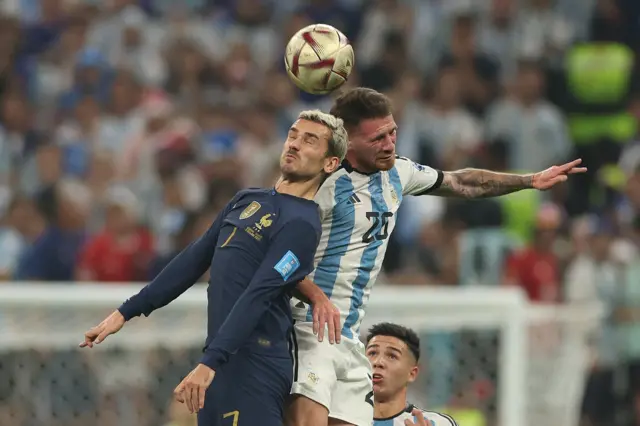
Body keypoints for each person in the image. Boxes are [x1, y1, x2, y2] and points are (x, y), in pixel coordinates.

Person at [287, 87, 587, 426]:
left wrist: (530, 180)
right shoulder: (320, 186)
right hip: (306, 331)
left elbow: (463, 183)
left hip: (348, 336)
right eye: (377, 138)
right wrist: (314, 298)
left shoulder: (397, 172)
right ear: (348, 142)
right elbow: (280, 260)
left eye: (392, 133)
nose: (389, 144)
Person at [79, 110, 349, 426]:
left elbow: (259, 293)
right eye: (293, 135)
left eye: (310, 140)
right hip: (222, 360)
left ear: (329, 163)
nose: (294, 144)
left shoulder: (302, 224)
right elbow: (192, 260)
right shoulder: (247, 198)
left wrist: (210, 362)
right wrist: (126, 311)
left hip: (255, 364)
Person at [365, 323, 458, 426]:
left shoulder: (440, 423)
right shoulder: (345, 419)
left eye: (392, 356)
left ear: (412, 374)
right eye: (372, 353)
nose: (378, 362)